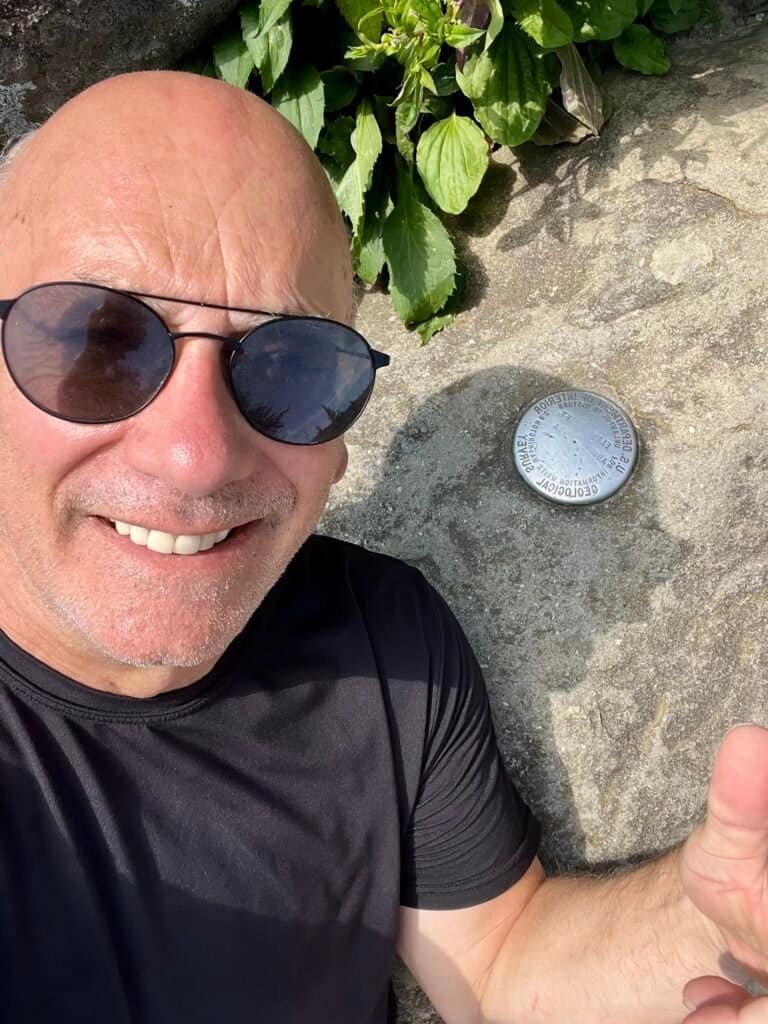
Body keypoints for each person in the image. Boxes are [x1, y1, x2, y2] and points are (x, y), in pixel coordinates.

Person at [0, 69, 764, 1024]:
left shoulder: (381, 638)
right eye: (98, 344)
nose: (196, 455)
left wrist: (713, 911)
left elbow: (498, 967)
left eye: (290, 366)